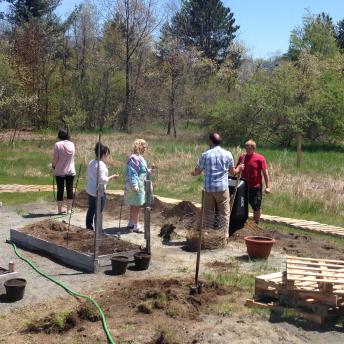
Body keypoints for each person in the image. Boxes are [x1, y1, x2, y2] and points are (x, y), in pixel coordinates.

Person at [192, 133, 244, 237]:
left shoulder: (205, 155)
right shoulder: (227, 154)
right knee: (224, 213)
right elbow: (233, 172)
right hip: (222, 189)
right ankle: (223, 236)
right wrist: (239, 168)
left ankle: (207, 235)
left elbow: (197, 171)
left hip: (209, 189)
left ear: (211, 141)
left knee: (208, 213)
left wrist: (193, 173)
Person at [86, 143, 118, 230]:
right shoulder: (102, 165)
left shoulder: (91, 162)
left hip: (90, 190)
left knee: (91, 209)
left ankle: (89, 227)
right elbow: (102, 180)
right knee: (99, 212)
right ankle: (98, 230)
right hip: (99, 191)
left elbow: (88, 175)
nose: (107, 157)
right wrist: (112, 177)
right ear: (103, 154)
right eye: (107, 155)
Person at [237, 139, 271, 224]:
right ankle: (243, 223)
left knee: (256, 206)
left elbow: (265, 173)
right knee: (242, 205)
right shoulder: (242, 157)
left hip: (255, 187)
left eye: (249, 148)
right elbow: (237, 169)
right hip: (243, 186)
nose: (247, 149)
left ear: (253, 148)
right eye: (246, 147)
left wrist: (268, 187)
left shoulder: (260, 158)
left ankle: (256, 223)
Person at [125, 139, 151, 233]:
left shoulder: (139, 157)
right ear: (139, 146)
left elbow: (141, 170)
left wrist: (148, 171)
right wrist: (135, 185)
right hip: (136, 185)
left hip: (137, 184)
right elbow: (133, 173)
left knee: (133, 204)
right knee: (136, 205)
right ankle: (136, 225)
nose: (145, 148)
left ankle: (131, 222)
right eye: (144, 146)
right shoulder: (134, 158)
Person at [52, 129, 76, 215]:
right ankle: (69, 210)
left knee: (60, 190)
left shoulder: (57, 144)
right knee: (69, 190)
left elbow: (55, 158)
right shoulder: (72, 144)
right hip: (71, 170)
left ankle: (59, 210)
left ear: (59, 135)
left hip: (60, 171)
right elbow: (72, 158)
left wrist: (53, 166)